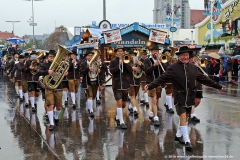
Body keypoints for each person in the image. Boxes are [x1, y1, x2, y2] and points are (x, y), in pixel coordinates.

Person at [144, 46, 224, 151]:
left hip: (190, 97)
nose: (185, 57)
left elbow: (204, 79)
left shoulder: (193, 67)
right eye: (183, 55)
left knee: (185, 117)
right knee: (182, 117)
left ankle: (178, 136)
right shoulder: (173, 67)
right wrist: (150, 85)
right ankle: (187, 141)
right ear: (179, 56)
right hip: (179, 96)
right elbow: (161, 78)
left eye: (187, 55)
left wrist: (218, 86)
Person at [38, 50, 68, 131]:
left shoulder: (61, 64)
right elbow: (39, 71)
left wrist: (65, 74)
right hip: (49, 87)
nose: (52, 58)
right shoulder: (44, 64)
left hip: (58, 87)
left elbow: (63, 76)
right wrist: (47, 71)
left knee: (59, 106)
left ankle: (56, 117)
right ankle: (51, 123)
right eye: (50, 56)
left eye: (53, 56)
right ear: (48, 57)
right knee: (50, 105)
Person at [109, 46, 132, 129]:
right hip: (117, 85)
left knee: (124, 104)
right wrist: (119, 65)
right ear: (116, 53)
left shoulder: (127, 60)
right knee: (119, 102)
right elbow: (111, 71)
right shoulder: (113, 61)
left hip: (126, 84)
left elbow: (130, 70)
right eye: (118, 51)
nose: (120, 52)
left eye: (121, 51)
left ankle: (118, 116)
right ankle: (121, 121)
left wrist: (125, 63)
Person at [143, 44, 164, 126]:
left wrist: (162, 62)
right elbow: (146, 71)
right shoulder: (147, 60)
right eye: (154, 51)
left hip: (158, 82)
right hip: (151, 83)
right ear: (151, 52)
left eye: (157, 51)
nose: (156, 52)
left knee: (156, 100)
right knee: (154, 100)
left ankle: (151, 113)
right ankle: (156, 117)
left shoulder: (161, 60)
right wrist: (154, 65)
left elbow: (164, 70)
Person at [80, 50, 102, 118]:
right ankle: (91, 110)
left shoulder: (96, 63)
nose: (90, 57)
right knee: (90, 96)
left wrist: (99, 70)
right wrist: (87, 69)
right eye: (88, 56)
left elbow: (100, 70)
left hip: (95, 81)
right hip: (87, 82)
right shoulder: (83, 63)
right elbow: (81, 71)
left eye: (91, 55)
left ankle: (90, 108)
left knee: (94, 97)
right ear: (86, 57)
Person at [127, 49, 144, 116]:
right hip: (130, 80)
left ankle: (131, 106)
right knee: (132, 95)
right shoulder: (127, 62)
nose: (132, 56)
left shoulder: (138, 62)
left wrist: (140, 65)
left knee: (135, 95)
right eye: (131, 55)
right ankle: (135, 109)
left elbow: (143, 69)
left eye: (133, 55)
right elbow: (126, 70)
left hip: (137, 80)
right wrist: (132, 68)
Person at [161, 48, 174, 114]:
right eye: (166, 53)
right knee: (169, 92)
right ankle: (170, 107)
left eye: (168, 53)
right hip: (167, 78)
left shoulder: (172, 60)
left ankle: (167, 103)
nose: (168, 54)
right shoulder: (163, 61)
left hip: (173, 79)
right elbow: (166, 69)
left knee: (173, 93)